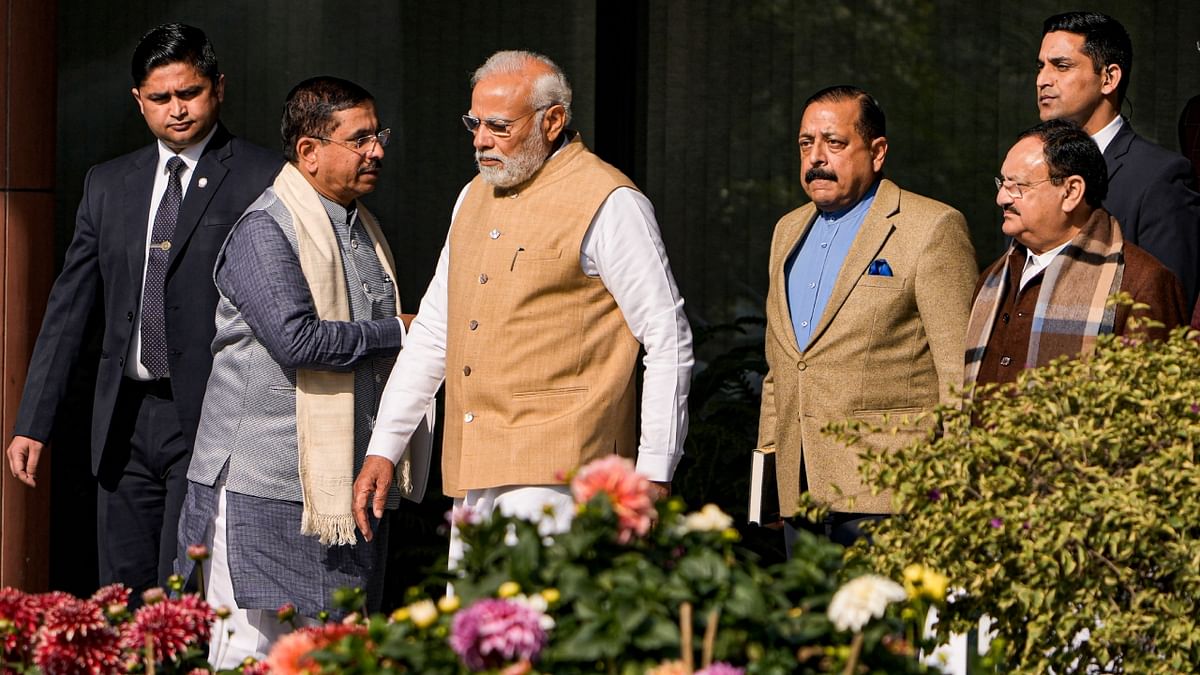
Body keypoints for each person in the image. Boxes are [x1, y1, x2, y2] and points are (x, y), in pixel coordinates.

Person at [357, 50, 693, 559]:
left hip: (567, 472)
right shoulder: (472, 197)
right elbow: (433, 332)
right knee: (477, 633)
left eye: (498, 125)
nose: (480, 140)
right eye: (474, 123)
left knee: (548, 632)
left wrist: (654, 470)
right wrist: (385, 444)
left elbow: (668, 338)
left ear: (552, 121)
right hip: (475, 468)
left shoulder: (610, 201)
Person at [3, 23, 282, 597]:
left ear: (219, 88)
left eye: (189, 93)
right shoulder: (108, 184)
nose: (176, 110)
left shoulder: (262, 177)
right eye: (160, 98)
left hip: (211, 416)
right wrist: (32, 422)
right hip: (124, 420)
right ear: (139, 100)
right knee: (121, 598)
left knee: (185, 596)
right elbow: (69, 308)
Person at [174, 76, 426, 667]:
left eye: (378, 135)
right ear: (309, 152)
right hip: (260, 482)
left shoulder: (358, 224)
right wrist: (402, 333)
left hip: (338, 485)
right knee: (252, 653)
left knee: (335, 649)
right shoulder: (267, 228)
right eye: (360, 138)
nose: (378, 151)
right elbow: (298, 340)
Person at [757, 86, 977, 549]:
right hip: (801, 492)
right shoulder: (786, 230)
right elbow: (781, 369)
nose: (816, 157)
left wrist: (959, 489)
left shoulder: (931, 227)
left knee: (886, 625)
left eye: (834, 143)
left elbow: (960, 374)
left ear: (877, 152)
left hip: (892, 493)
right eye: (805, 143)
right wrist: (768, 487)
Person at [965, 119, 1187, 388]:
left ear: (1071, 192)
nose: (1002, 198)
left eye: (1018, 186)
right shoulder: (994, 278)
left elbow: (1156, 405)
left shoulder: (1140, 283)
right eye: (1002, 183)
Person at [1036, 11, 1200, 307]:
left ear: (1109, 78)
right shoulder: (1031, 169)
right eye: (1041, 66)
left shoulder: (1159, 177)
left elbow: (1165, 311)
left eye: (1061, 66)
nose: (1042, 80)